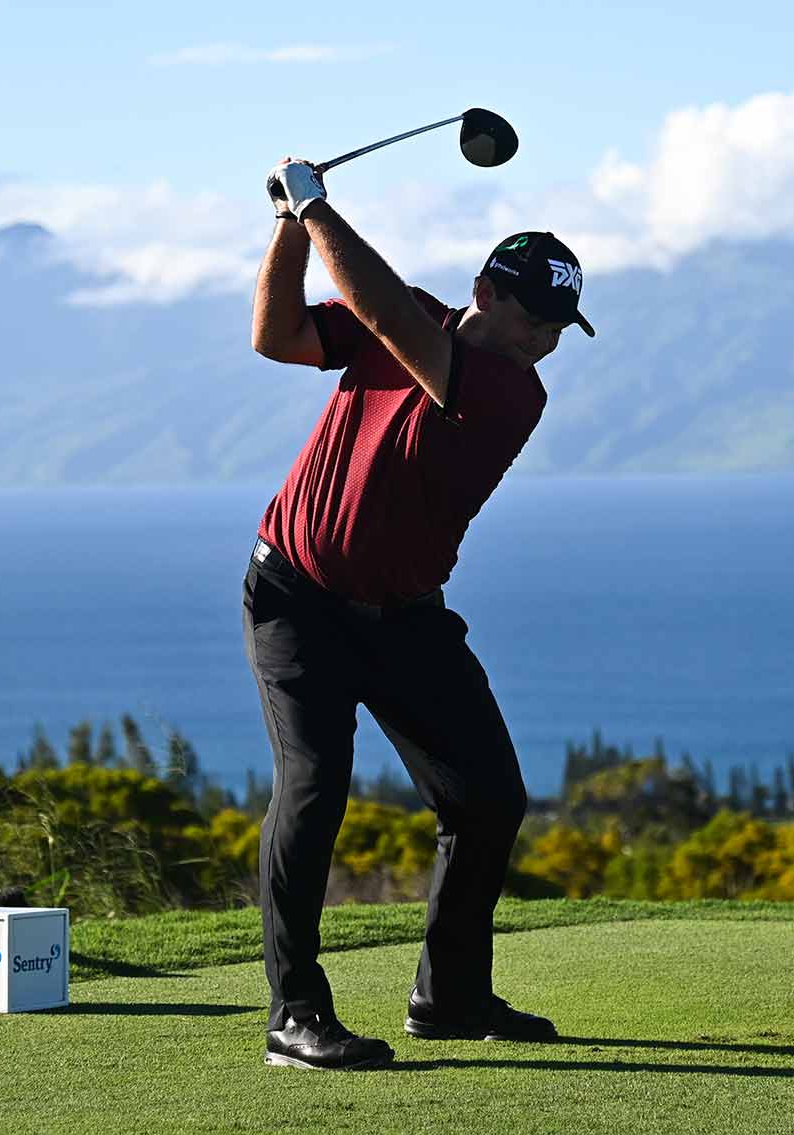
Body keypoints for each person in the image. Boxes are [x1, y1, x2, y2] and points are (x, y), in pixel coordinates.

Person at [245, 158, 594, 1071]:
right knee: (315, 788)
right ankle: (294, 1011)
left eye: (559, 328)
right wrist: (289, 226)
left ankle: (450, 995)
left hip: (404, 616)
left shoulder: (512, 391)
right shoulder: (426, 331)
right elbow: (276, 335)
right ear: (485, 290)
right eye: (532, 319)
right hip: (296, 597)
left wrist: (315, 206)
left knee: (488, 797)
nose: (543, 342)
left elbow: (387, 318)